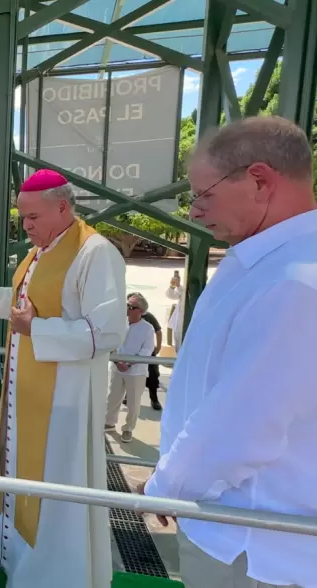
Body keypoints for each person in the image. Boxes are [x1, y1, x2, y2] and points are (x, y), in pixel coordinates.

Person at [141, 117, 317, 588]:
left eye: (203, 194)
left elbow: (243, 423)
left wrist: (166, 489)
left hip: (254, 545)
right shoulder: (268, 260)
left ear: (259, 180)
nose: (195, 212)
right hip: (236, 526)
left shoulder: (297, 279)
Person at [0, 168, 126, 587]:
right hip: (24, 396)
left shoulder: (95, 252)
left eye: (32, 217)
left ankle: (51, 576)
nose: (26, 226)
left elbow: (106, 331)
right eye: (22, 218)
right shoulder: (42, 252)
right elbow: (22, 304)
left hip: (63, 405)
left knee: (52, 492)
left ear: (62, 207)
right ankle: (14, 561)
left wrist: (38, 331)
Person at [105, 293, 157, 443]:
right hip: (116, 368)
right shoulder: (118, 323)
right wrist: (117, 362)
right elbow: (111, 343)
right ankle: (109, 422)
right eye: (127, 305)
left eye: (131, 307)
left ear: (140, 311)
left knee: (133, 403)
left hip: (137, 372)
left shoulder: (148, 328)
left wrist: (128, 364)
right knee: (112, 397)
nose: (127, 308)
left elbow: (147, 350)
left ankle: (128, 429)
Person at [141, 308, 164, 410]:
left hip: (148, 352)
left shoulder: (148, 317)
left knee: (153, 376)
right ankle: (128, 397)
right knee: (129, 375)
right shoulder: (126, 317)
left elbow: (158, 332)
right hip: (131, 352)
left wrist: (158, 347)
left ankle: (154, 399)